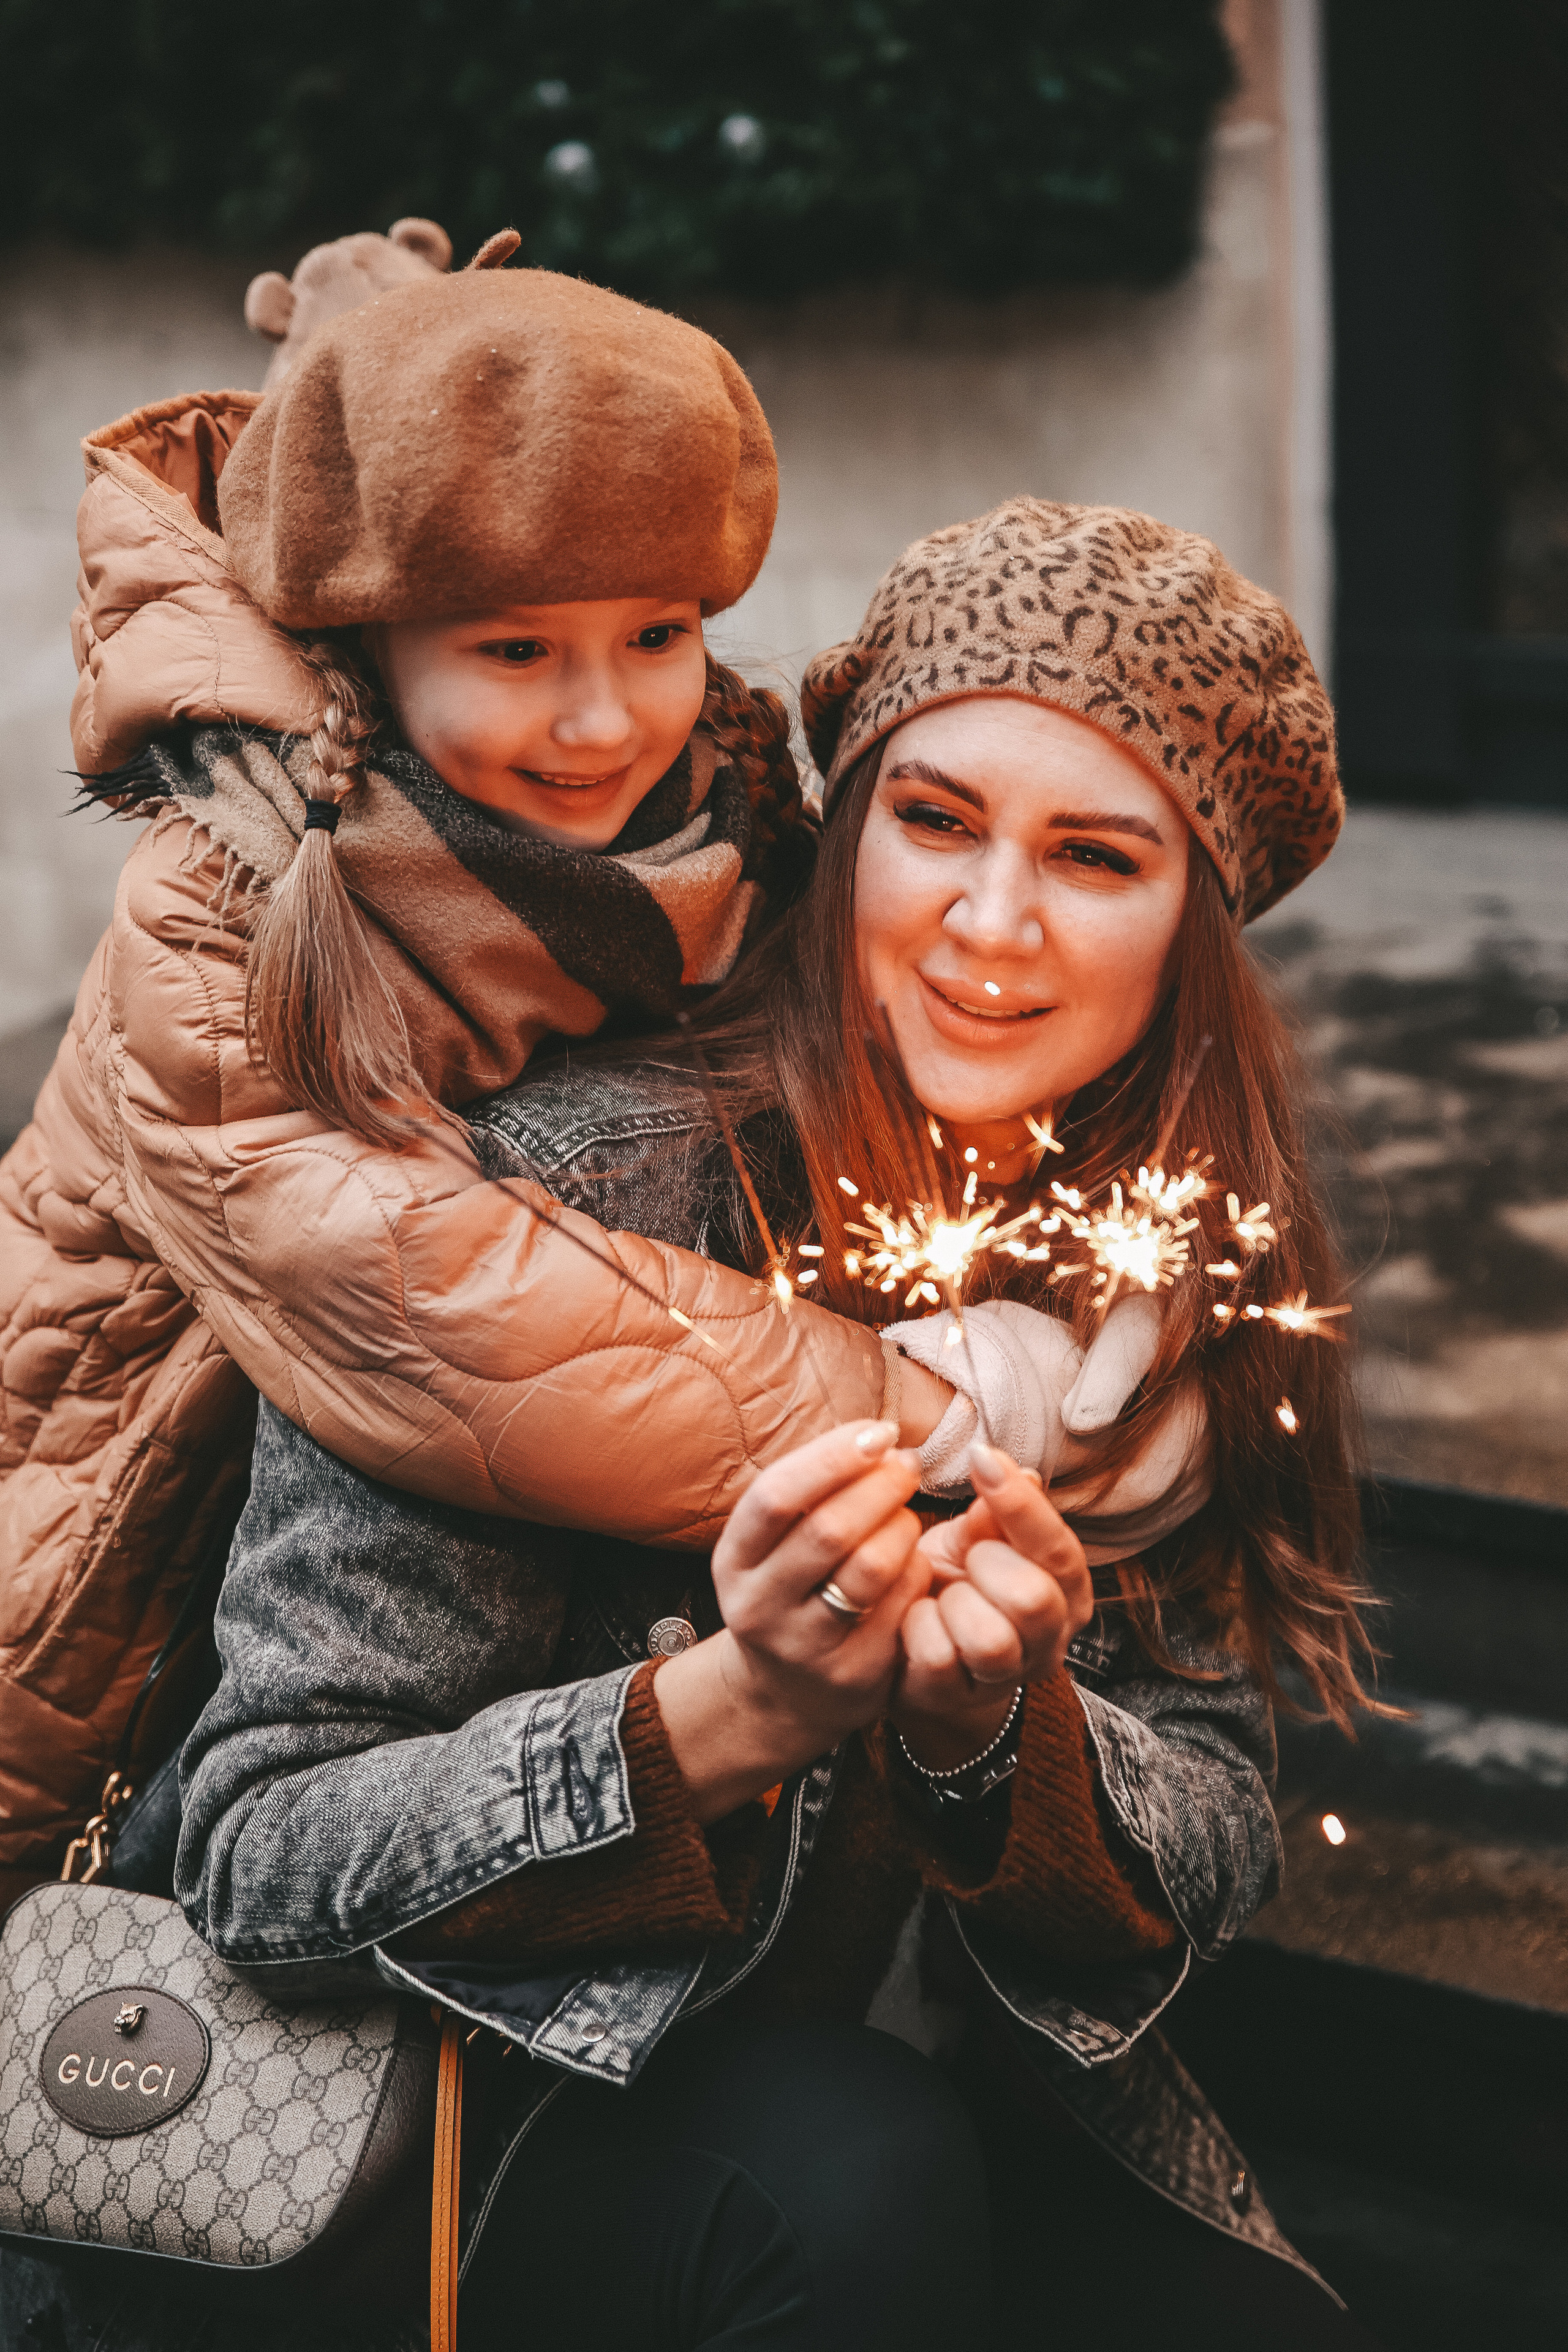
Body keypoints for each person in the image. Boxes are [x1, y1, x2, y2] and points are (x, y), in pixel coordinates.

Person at [166, 500, 1383, 2349]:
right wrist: (728, 1716)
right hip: (451, 2128)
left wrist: (999, 1730)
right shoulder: (576, 1201)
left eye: (1098, 855)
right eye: (937, 819)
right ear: (850, 825)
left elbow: (1215, 1837)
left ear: (1190, 924)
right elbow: (264, 1854)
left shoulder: (1178, 1269)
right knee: (848, 2166)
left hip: (922, 2082)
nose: (994, 923)